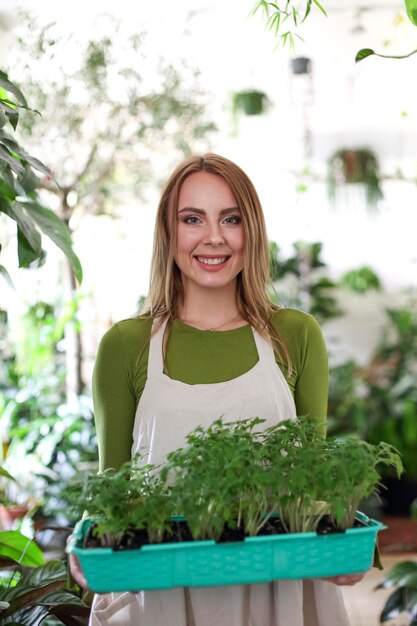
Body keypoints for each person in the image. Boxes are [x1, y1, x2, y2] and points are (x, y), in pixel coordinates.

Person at [70, 153, 365, 625]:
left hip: (281, 595)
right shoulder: (125, 346)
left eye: (231, 219)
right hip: (163, 597)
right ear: (169, 234)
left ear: (252, 230)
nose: (213, 237)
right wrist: (88, 546)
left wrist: (338, 549)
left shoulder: (295, 334)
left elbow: (313, 483)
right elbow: (114, 493)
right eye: (192, 219)